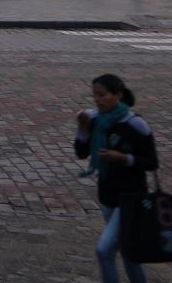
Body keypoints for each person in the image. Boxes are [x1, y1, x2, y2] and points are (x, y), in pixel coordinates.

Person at [74, 73, 158, 283]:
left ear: (118, 95)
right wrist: (82, 129)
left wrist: (124, 158)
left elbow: (151, 162)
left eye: (102, 95)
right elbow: (81, 153)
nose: (97, 100)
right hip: (108, 194)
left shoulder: (135, 124)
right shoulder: (96, 120)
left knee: (104, 250)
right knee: (128, 251)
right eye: (95, 95)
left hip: (131, 196)